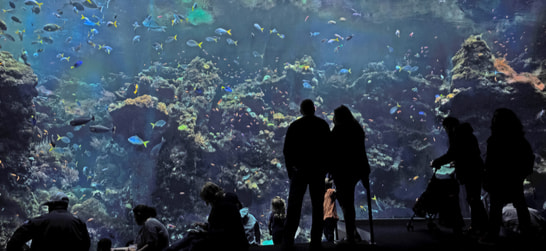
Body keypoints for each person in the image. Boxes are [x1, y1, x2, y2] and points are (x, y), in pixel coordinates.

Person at [282, 99, 331, 250]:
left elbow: (287, 150)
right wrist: (326, 169)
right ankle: (315, 241)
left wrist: (291, 170)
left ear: (301, 110)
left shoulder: (295, 126)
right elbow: (329, 149)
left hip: (300, 171)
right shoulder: (322, 125)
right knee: (318, 206)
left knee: (294, 206)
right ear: (314, 109)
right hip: (317, 171)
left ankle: (288, 240)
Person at [482, 108, 535, 243]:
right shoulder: (520, 139)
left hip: (499, 179)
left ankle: (492, 235)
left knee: (496, 207)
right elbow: (529, 158)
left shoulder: (494, 140)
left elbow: (490, 161)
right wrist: (523, 174)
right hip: (513, 178)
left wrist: (487, 176)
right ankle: (527, 233)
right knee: (519, 206)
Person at [430, 116, 488, 235]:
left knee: (473, 199)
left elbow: (452, 153)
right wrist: (457, 161)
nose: (446, 131)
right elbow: (468, 153)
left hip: (470, 171)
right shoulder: (467, 133)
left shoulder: (458, 135)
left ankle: (480, 227)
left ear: (449, 126)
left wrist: (437, 162)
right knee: (474, 198)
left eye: (446, 128)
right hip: (475, 168)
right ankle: (481, 226)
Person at [329, 105, 371, 244]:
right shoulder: (356, 128)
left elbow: (333, 151)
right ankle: (352, 232)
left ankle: (350, 237)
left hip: (342, 171)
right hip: (356, 170)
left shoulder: (338, 130)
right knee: (348, 202)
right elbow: (361, 151)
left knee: (346, 203)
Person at [167, 182, 248, 251]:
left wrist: (202, 232)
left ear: (210, 198)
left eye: (207, 200)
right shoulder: (231, 196)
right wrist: (204, 226)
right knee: (192, 236)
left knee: (193, 241)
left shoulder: (218, 208)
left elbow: (220, 233)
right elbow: (222, 225)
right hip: (240, 239)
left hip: (228, 242)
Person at [7, 191, 91, 251]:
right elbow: (86, 245)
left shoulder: (40, 221)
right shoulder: (79, 223)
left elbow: (15, 241)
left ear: (51, 205)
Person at [323, 177, 338, 243]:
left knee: (329, 232)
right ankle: (330, 243)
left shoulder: (330, 191)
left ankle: (331, 244)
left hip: (330, 216)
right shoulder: (325, 193)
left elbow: (336, 191)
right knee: (327, 232)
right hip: (327, 216)